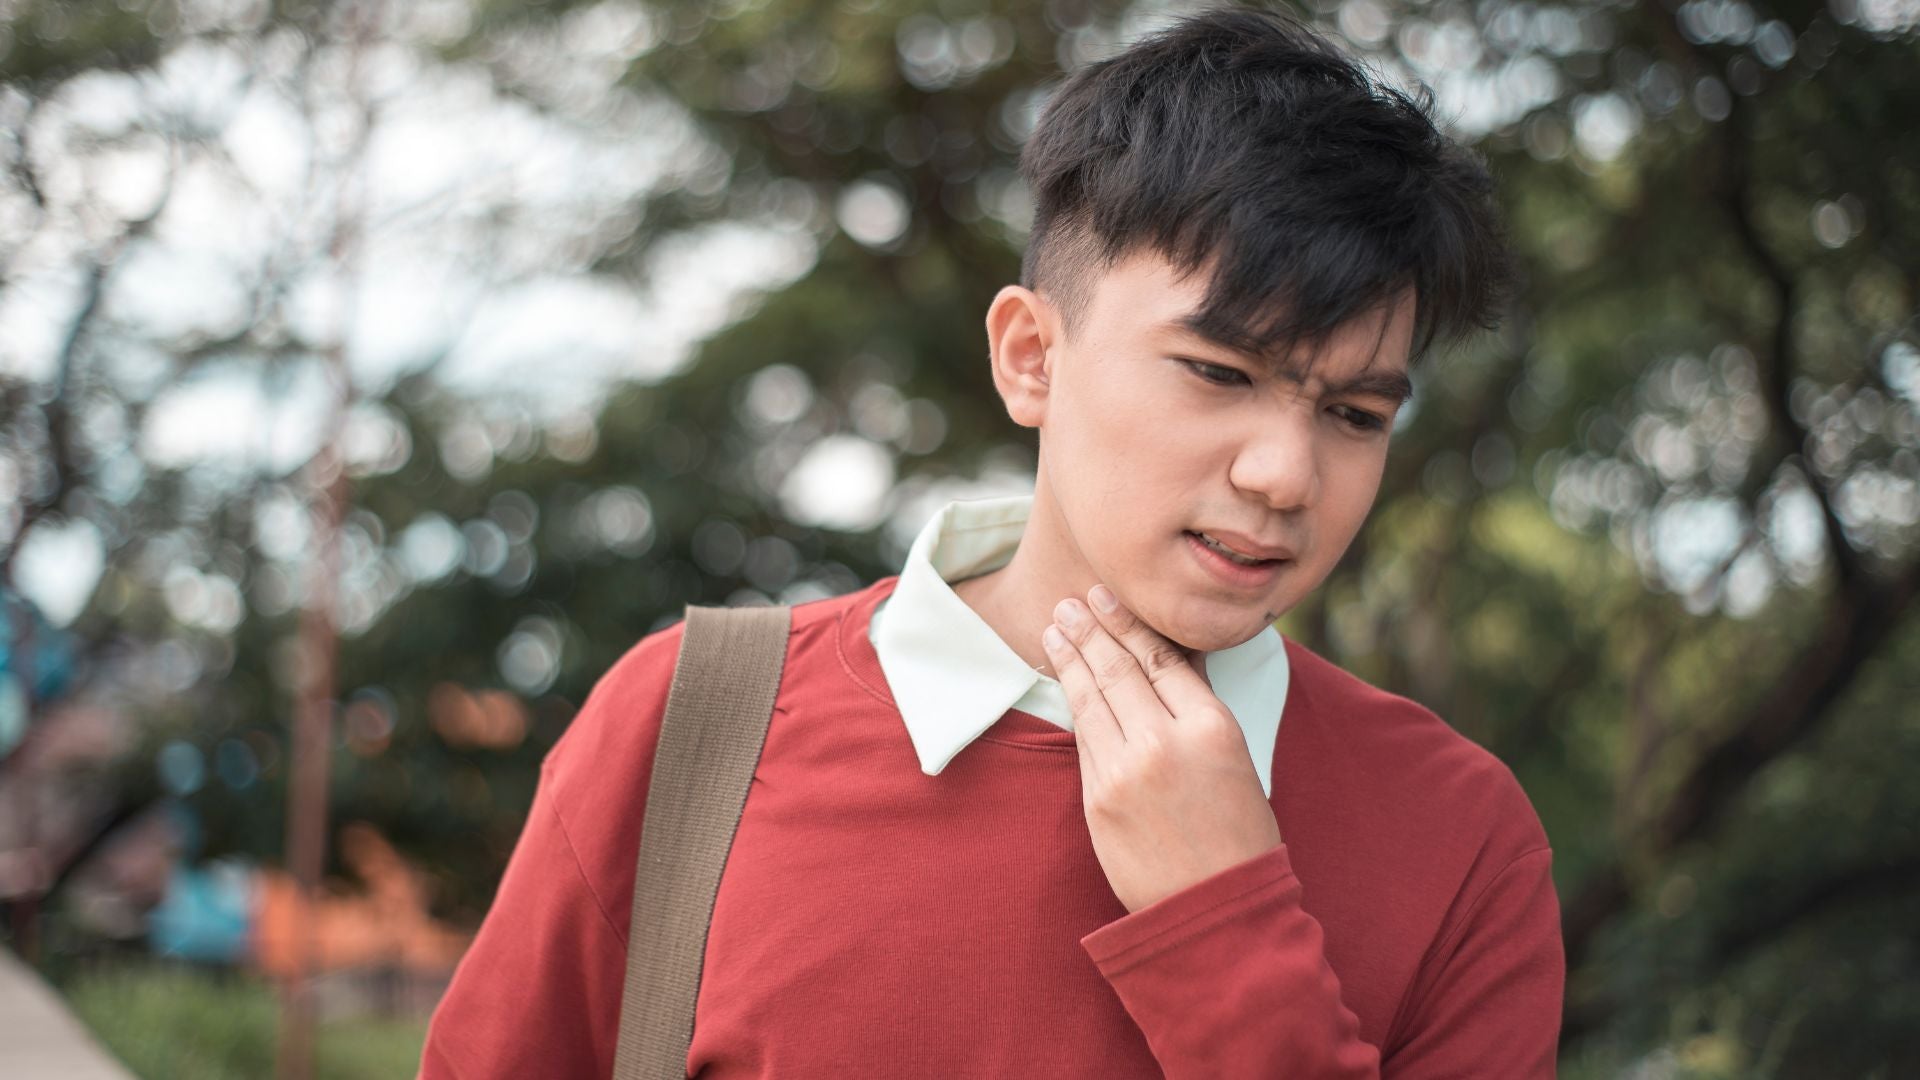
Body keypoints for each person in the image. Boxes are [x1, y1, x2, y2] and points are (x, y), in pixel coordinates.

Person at [419, 7, 1563, 1078]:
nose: (1286, 474)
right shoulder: (693, 723)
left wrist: (1226, 926)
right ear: (1031, 358)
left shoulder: (1459, 836)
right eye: (1220, 373)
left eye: (1355, 414)